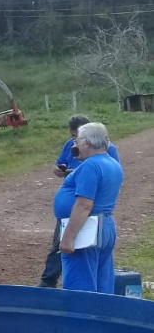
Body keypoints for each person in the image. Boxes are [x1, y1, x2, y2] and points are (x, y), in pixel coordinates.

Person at [37, 115, 120, 288]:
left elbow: (84, 204)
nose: (74, 146)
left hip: (86, 228)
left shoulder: (90, 166)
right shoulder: (112, 163)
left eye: (77, 142)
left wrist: (67, 238)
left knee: (80, 286)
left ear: (87, 143)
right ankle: (101, 314)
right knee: (101, 281)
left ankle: (81, 315)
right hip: (104, 225)